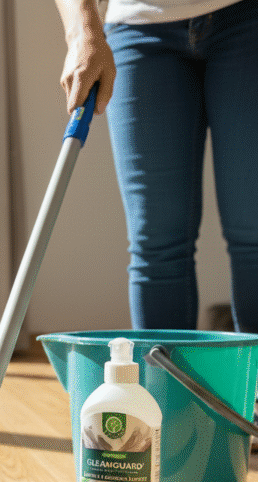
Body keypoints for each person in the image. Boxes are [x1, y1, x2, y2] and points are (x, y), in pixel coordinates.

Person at [53, 0, 258, 337]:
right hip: (138, 28)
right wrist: (82, 32)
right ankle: (164, 388)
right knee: (157, 244)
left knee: (253, 233)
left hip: (247, 18)